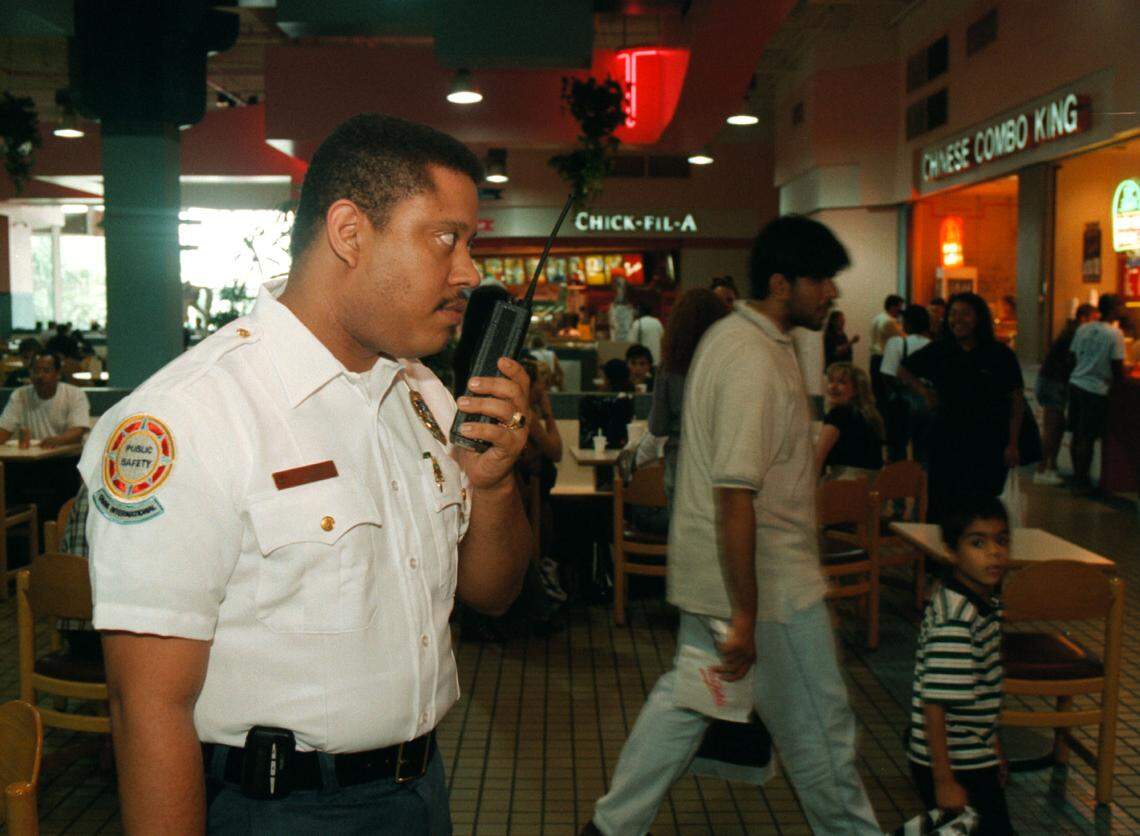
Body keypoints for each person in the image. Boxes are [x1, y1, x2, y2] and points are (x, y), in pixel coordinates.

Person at [83, 113, 532, 834]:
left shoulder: (423, 396)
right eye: (446, 238)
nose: (469, 272)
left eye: (470, 242)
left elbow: (493, 595)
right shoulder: (190, 417)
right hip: (280, 810)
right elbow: (146, 707)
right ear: (350, 232)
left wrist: (495, 482)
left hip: (423, 790)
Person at [586, 215, 880, 836]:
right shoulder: (749, 356)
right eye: (820, 280)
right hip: (766, 587)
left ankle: (611, 828)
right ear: (781, 283)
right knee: (821, 732)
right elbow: (735, 493)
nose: (831, 293)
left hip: (728, 575)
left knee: (688, 698)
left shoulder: (743, 342)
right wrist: (745, 613)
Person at [907, 495, 1011, 835]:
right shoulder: (957, 619)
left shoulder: (980, 602)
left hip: (969, 752)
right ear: (952, 551)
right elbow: (935, 702)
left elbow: (981, 692)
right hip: (954, 760)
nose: (994, 551)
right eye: (977, 542)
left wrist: (991, 746)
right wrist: (944, 779)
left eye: (1001, 540)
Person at [897, 293, 1024, 522]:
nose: (958, 320)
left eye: (965, 313)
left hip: (988, 442)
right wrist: (925, 393)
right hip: (947, 438)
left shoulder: (999, 354)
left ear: (979, 318)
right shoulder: (940, 350)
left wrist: (1013, 443)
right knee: (943, 502)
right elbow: (904, 370)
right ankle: (939, 555)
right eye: (953, 314)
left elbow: (1015, 400)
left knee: (981, 505)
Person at [647, 288, 729, 507]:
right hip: (721, 464)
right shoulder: (728, 366)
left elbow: (657, 426)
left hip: (681, 465)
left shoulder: (669, 368)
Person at [1067, 293, 1128, 494]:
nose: (1123, 310)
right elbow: (1117, 365)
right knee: (1089, 436)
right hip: (1096, 388)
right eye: (1121, 306)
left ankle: (1077, 477)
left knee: (1077, 434)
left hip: (1076, 383)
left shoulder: (1084, 329)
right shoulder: (1114, 334)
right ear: (1113, 309)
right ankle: (1082, 482)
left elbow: (1073, 355)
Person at [1034, 303, 1097, 485]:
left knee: (1056, 427)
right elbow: (1072, 359)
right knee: (1052, 429)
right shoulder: (1075, 333)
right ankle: (1043, 468)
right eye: (1093, 319)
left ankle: (1050, 467)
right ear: (1083, 317)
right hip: (1054, 382)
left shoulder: (1071, 331)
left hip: (1051, 381)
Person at [0, 353, 90, 447]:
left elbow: (78, 431)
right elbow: (4, 430)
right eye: (35, 371)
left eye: (46, 371)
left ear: (58, 374)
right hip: (30, 458)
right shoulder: (20, 395)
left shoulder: (74, 394)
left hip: (66, 458)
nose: (40, 376)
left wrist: (58, 441)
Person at [880, 305, 932, 463]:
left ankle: (899, 484)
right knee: (924, 450)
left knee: (897, 449)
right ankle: (921, 483)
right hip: (929, 402)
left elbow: (887, 374)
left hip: (902, 403)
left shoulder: (897, 343)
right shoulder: (934, 345)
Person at [815, 362, 884, 479]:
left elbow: (818, 457)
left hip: (846, 486)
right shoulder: (870, 416)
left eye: (841, 382)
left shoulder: (838, 415)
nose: (833, 386)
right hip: (872, 487)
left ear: (856, 389)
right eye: (831, 381)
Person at [870, 294, 905, 406]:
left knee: (878, 392)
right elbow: (903, 337)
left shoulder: (878, 318)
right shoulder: (889, 322)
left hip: (874, 358)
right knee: (886, 395)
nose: (901, 310)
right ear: (893, 307)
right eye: (900, 307)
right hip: (883, 359)